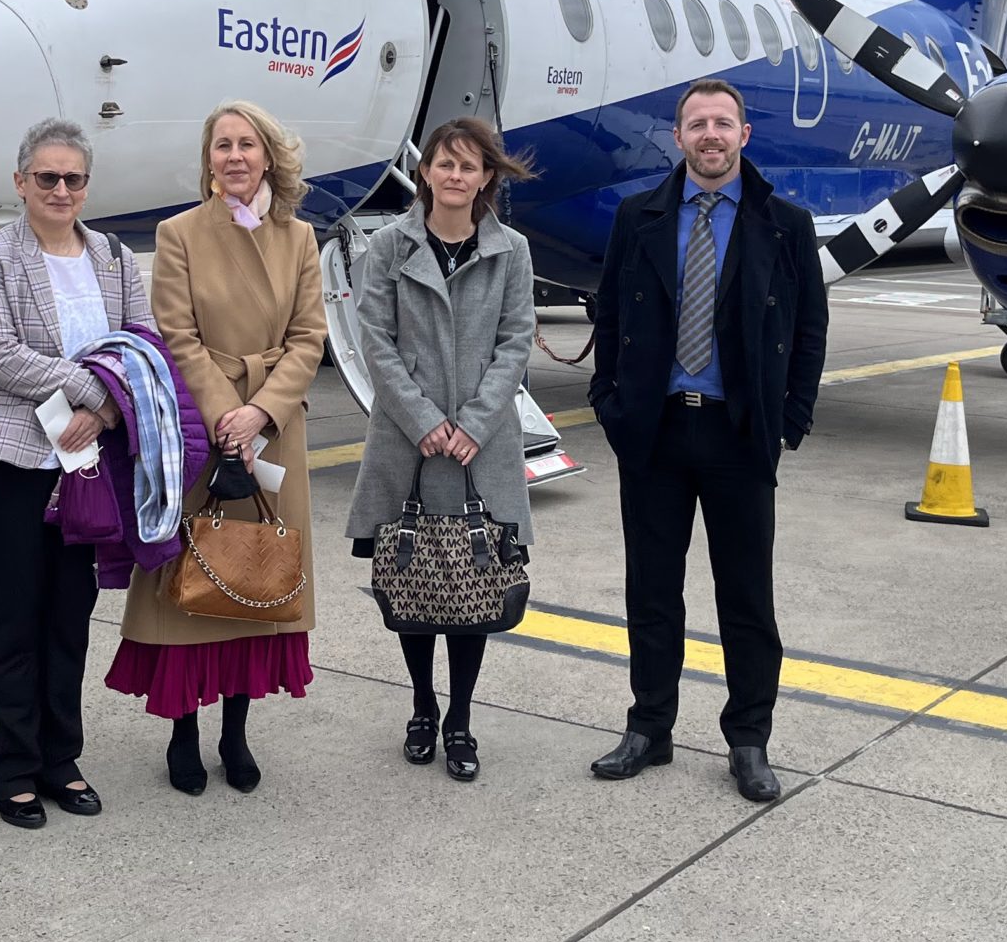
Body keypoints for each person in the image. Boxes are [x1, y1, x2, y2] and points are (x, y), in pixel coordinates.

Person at [585, 78, 827, 805]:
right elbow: (608, 312)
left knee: (746, 598)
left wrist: (790, 420)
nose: (711, 135)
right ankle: (649, 728)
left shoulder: (785, 223)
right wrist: (611, 404)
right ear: (679, 136)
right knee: (652, 592)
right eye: (697, 124)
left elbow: (811, 330)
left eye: (724, 123)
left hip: (738, 433)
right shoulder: (641, 216)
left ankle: (748, 740)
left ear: (743, 136)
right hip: (656, 431)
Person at [112, 101, 327, 795]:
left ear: (269, 155)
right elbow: (176, 334)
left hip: (272, 426)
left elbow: (308, 337)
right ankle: (183, 733)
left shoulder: (299, 237)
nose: (234, 156)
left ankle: (235, 732)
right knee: (190, 584)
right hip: (201, 428)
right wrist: (224, 414)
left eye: (247, 144)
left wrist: (262, 408)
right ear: (209, 159)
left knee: (256, 577)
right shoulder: (177, 233)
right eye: (222, 145)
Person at [0, 119, 145, 829]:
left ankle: (60, 757)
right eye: (46, 178)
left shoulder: (116, 256)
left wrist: (105, 409)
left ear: (86, 186)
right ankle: (11, 767)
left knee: (69, 615)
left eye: (73, 179)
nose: (60, 189)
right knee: (12, 617)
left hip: (89, 457)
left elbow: (140, 341)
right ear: (20, 182)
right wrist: (94, 391)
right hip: (16, 455)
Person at [344, 118, 539, 782]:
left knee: (475, 586)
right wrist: (425, 420)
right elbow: (375, 339)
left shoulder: (511, 250)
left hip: (479, 449)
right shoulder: (390, 247)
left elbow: (516, 340)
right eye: (444, 164)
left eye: (469, 166)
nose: (455, 176)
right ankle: (422, 706)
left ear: (486, 176)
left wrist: (476, 424)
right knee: (414, 579)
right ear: (424, 172)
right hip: (409, 442)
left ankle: (460, 718)